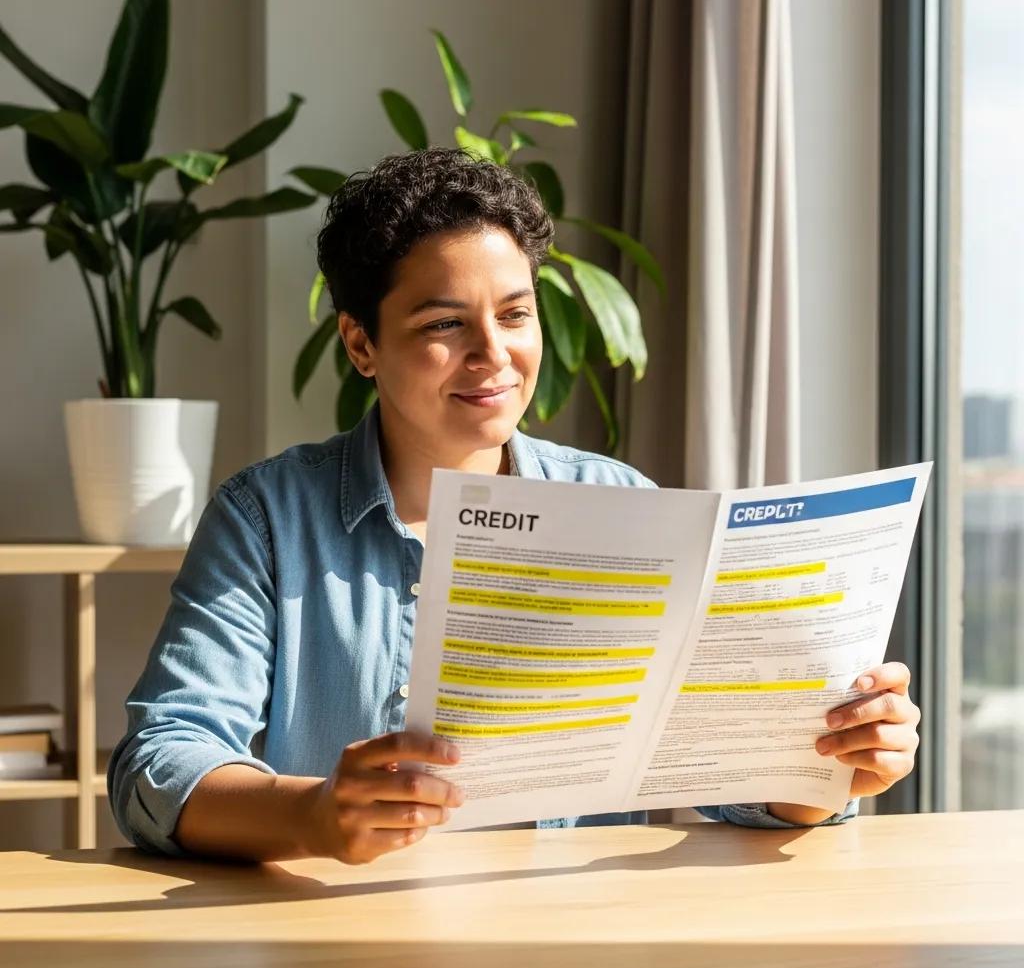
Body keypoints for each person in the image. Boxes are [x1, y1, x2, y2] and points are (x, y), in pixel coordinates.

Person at [108, 148, 921, 864]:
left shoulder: (622, 506)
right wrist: (313, 816)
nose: (493, 355)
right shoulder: (267, 519)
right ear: (361, 344)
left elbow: (732, 782)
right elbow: (160, 761)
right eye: (445, 323)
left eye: (515, 314)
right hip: (348, 937)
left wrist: (828, 762)